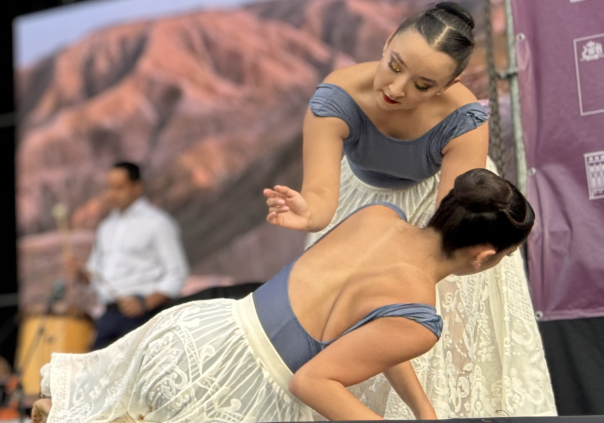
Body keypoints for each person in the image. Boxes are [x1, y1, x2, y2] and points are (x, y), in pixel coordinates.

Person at [34, 169, 533, 422]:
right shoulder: (421, 318)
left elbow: (378, 333)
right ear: (486, 257)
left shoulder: (380, 216)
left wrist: (425, 413)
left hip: (199, 329)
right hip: (237, 388)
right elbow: (312, 382)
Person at [261, 3, 554, 417]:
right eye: (394, 65)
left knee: (443, 322)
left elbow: (451, 224)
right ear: (385, 44)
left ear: (449, 84)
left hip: (448, 211)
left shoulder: (463, 118)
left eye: (422, 84)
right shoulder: (337, 97)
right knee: (357, 315)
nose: (397, 89)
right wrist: (308, 214)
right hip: (361, 201)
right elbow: (323, 200)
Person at [65, 162, 188, 350]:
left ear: (136, 187)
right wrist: (81, 272)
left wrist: (145, 304)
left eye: (119, 187)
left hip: (144, 316)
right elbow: (97, 276)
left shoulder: (158, 223)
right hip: (109, 315)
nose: (112, 193)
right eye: (110, 187)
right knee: (98, 375)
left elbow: (177, 273)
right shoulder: (106, 226)